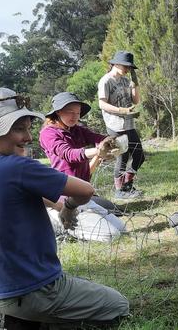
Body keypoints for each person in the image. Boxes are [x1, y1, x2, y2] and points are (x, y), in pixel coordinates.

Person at [0, 88, 129, 328]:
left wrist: (56, 203)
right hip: (33, 290)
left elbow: (14, 194)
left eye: (27, 128)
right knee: (118, 306)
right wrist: (68, 207)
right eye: (19, 129)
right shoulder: (16, 166)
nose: (27, 137)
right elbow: (85, 190)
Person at [40, 92, 126, 242]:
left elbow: (98, 138)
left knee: (122, 230)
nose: (75, 116)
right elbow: (69, 154)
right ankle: (57, 221)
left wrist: (111, 143)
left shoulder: (77, 130)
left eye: (78, 113)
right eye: (70, 112)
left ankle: (70, 223)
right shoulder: (48, 133)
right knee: (110, 236)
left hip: (82, 197)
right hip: (63, 197)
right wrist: (98, 151)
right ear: (58, 112)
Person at [98, 50, 145, 199]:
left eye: (130, 67)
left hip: (129, 123)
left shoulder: (126, 81)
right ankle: (120, 191)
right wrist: (121, 110)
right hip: (115, 125)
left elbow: (136, 101)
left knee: (139, 155)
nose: (128, 69)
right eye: (126, 66)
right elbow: (102, 104)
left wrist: (135, 82)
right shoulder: (106, 80)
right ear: (115, 64)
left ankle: (127, 185)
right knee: (123, 156)